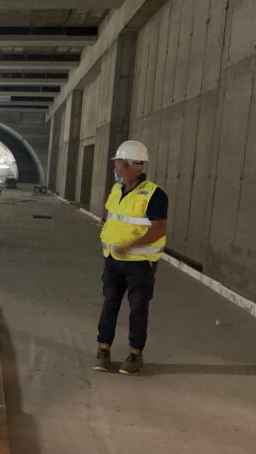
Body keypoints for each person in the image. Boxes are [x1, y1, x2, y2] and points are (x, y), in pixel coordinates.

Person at [94, 140, 168, 375]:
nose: (114, 168)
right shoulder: (116, 189)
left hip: (139, 265)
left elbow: (158, 229)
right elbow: (113, 217)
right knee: (109, 305)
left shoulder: (155, 194)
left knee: (138, 309)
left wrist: (130, 246)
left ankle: (135, 354)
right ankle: (103, 350)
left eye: (117, 163)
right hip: (113, 260)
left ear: (126, 165)